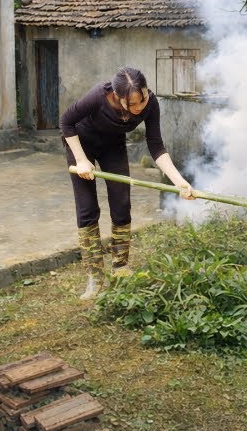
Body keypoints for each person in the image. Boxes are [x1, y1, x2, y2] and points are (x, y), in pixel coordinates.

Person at [61, 67, 194, 300]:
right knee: (87, 208)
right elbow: (66, 121)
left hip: (113, 145)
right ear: (116, 96)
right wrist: (81, 160)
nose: (139, 108)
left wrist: (179, 181)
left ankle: (120, 267)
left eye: (141, 99)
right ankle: (95, 277)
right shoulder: (97, 97)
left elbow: (156, 145)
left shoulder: (150, 103)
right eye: (131, 105)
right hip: (82, 143)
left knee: (122, 205)